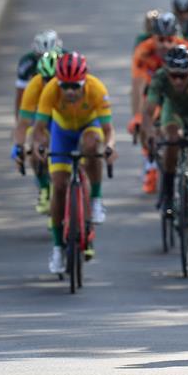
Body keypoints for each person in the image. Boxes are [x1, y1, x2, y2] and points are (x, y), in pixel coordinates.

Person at [33, 52, 117, 272]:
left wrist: (109, 147)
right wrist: (39, 147)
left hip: (88, 126)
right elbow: (39, 130)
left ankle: (96, 197)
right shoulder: (50, 90)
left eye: (75, 86)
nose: (70, 92)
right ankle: (58, 248)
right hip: (62, 132)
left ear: (84, 80)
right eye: (65, 86)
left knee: (92, 146)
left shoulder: (97, 89)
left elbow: (108, 130)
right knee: (59, 186)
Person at [141, 46, 188, 248]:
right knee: (172, 139)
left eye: (182, 76)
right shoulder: (160, 78)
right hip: (173, 113)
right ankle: (167, 194)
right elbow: (148, 112)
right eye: (173, 76)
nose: (177, 81)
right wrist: (149, 134)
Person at [130, 13, 188, 194]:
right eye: (160, 40)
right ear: (152, 37)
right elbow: (137, 88)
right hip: (153, 91)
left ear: (176, 38)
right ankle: (150, 162)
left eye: (169, 40)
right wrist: (137, 117)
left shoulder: (186, 49)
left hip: (178, 92)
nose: (164, 45)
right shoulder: (143, 51)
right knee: (146, 122)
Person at [12, 51, 59, 215]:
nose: (49, 84)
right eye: (45, 79)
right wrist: (18, 147)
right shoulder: (34, 86)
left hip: (66, 122)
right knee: (32, 146)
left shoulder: (70, 87)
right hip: (44, 122)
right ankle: (44, 188)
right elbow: (23, 123)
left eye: (54, 79)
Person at [16, 30, 63, 113]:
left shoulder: (66, 58)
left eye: (51, 57)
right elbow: (20, 93)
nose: (45, 60)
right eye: (40, 56)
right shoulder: (26, 62)